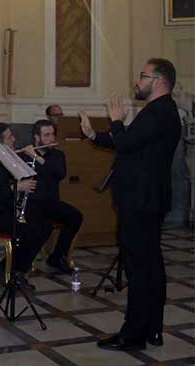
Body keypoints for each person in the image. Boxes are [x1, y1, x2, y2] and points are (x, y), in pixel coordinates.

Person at [80, 59, 181, 352]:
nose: (137, 81)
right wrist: (92, 135)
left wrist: (115, 120)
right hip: (148, 200)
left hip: (139, 201)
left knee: (138, 269)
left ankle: (133, 335)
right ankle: (153, 329)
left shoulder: (158, 112)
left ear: (159, 82)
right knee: (151, 266)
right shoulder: (161, 111)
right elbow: (131, 143)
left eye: (143, 76)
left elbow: (124, 142)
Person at [0, 123, 53, 290]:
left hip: (3, 209)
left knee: (45, 224)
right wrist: (16, 188)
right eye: (9, 137)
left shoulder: (5, 161)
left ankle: (8, 265)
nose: (14, 139)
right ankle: (16, 272)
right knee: (28, 230)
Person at [21, 119, 83, 274]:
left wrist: (37, 157)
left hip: (50, 202)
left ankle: (58, 255)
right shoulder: (25, 156)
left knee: (75, 216)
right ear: (37, 138)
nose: (51, 138)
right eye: (46, 135)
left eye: (52, 134)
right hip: (31, 203)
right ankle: (22, 264)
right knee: (41, 227)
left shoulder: (57, 155)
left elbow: (59, 173)